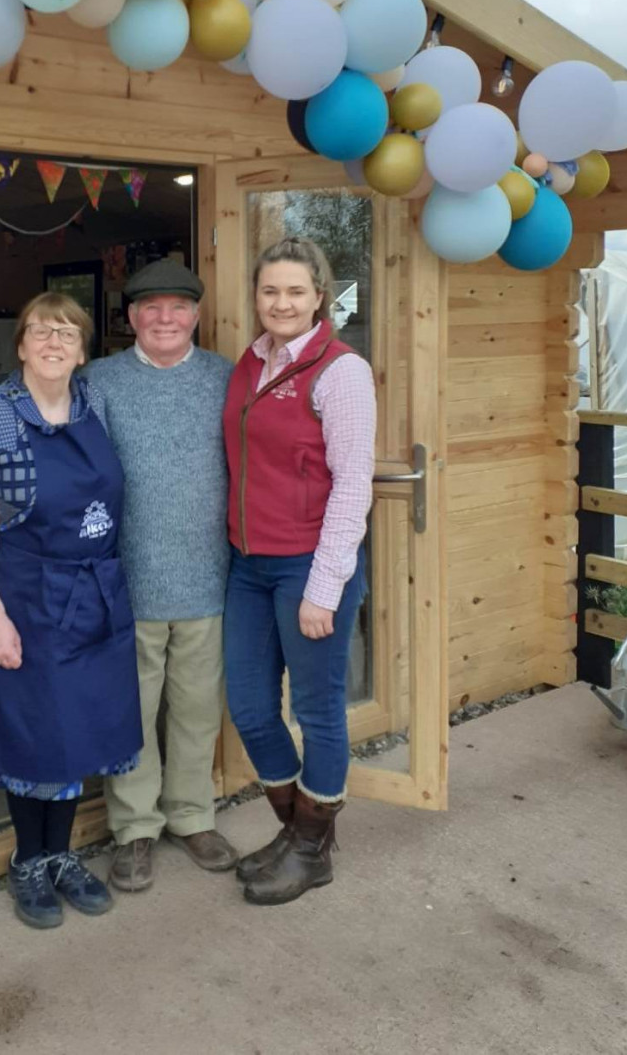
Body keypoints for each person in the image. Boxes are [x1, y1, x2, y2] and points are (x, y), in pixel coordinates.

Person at [0, 258, 236, 892]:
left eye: (179, 307)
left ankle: (192, 816)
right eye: (151, 308)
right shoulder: (97, 382)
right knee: (129, 716)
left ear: (197, 316)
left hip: (208, 574)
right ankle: (136, 831)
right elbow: (46, 445)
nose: (165, 318)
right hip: (121, 581)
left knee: (198, 710)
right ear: (130, 319)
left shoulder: (226, 379)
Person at [0, 292, 142, 930]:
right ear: (22, 344)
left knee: (77, 726)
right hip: (24, 598)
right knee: (30, 729)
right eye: (41, 332)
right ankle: (28, 859)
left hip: (96, 594)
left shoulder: (99, 407)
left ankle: (60, 856)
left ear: (83, 349)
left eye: (67, 333)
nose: (54, 343)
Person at [222, 237, 375, 906]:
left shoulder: (340, 371)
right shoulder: (249, 365)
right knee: (252, 708)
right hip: (248, 565)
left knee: (316, 711)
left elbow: (352, 485)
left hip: (310, 566)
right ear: (257, 298)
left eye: (294, 291)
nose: (280, 303)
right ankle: (298, 834)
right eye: (269, 291)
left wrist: (324, 585)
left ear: (319, 297)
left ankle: (311, 849)